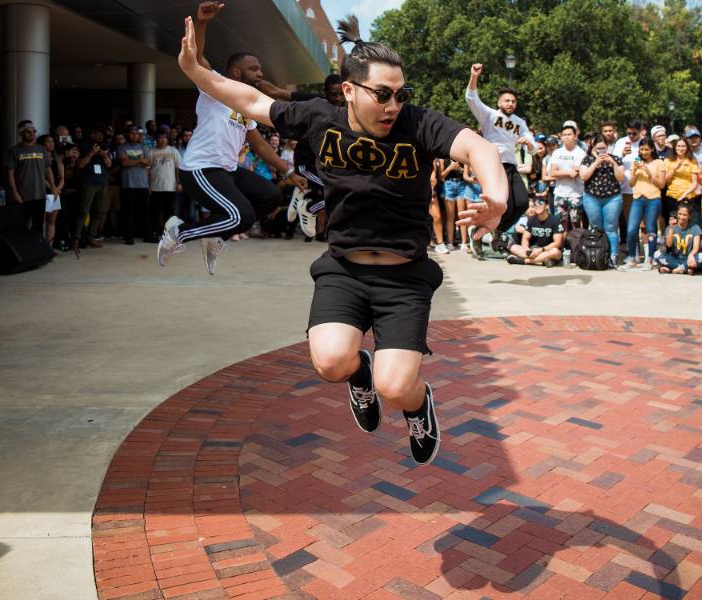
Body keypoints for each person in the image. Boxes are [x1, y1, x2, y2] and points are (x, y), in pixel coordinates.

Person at [177, 12, 507, 465]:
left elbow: (479, 147)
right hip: (344, 269)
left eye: (401, 94)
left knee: (395, 387)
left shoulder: (418, 124)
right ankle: (358, 373)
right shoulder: (319, 118)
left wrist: (497, 196)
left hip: (404, 277)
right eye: (383, 95)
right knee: (331, 362)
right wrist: (197, 71)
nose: (393, 106)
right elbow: (251, 100)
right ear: (350, 90)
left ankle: (418, 404)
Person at [158, 1, 306, 274]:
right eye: (255, 69)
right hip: (201, 168)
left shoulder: (247, 104)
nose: (261, 73)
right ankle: (178, 231)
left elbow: (259, 144)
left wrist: (288, 172)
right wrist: (202, 23)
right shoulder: (215, 87)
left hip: (227, 170)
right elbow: (199, 58)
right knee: (241, 215)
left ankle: (216, 234)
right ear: (236, 72)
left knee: (271, 196)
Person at [258, 73, 346, 242]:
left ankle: (302, 196)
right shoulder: (315, 102)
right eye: (333, 94)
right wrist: (257, 82)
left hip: (326, 165)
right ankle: (309, 206)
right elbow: (279, 93)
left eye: (341, 94)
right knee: (339, 191)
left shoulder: (348, 109)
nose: (338, 98)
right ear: (325, 92)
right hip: (307, 165)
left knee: (346, 191)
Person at [466, 63, 536, 255]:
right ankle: (477, 234)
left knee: (521, 203)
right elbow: (472, 98)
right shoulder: (489, 115)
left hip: (511, 165)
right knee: (498, 204)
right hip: (494, 165)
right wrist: (474, 77)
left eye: (513, 101)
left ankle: (497, 231)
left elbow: (533, 145)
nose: (510, 104)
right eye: (506, 101)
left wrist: (529, 145)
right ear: (499, 102)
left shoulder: (519, 122)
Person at [580, 134, 625, 268]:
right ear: (593, 148)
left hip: (612, 198)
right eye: (598, 148)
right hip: (592, 197)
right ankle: (599, 255)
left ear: (608, 147)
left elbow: (621, 177)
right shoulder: (587, 160)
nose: (601, 151)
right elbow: (584, 176)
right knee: (596, 228)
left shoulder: (615, 159)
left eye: (603, 148)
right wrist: (596, 162)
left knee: (611, 228)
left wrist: (612, 163)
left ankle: (613, 257)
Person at [5, 120, 56, 233]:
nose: (32, 134)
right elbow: (10, 173)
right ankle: (23, 250)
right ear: (21, 133)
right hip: (22, 196)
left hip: (39, 195)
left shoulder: (41, 149)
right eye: (28, 132)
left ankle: (37, 249)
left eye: (33, 131)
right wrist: (14, 193)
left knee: (38, 225)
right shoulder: (15, 151)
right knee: (21, 226)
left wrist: (53, 187)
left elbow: (48, 169)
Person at [623, 137, 665, 271]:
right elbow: (631, 183)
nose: (644, 152)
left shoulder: (659, 163)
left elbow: (662, 184)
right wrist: (634, 171)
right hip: (637, 198)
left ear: (652, 149)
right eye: (641, 149)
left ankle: (650, 258)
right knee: (631, 229)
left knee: (651, 229)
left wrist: (647, 171)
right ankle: (632, 258)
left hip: (653, 199)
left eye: (646, 149)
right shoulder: (635, 162)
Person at [77, 127, 112, 248]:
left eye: (103, 134)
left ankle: (92, 237)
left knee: (98, 212)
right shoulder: (84, 145)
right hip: (89, 182)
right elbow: (80, 165)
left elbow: (109, 165)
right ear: (93, 133)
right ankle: (77, 238)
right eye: (99, 133)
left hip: (102, 182)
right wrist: (91, 153)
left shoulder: (104, 146)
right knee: (83, 211)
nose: (102, 136)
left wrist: (105, 155)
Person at [548, 122, 586, 231]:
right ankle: (564, 246)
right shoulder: (557, 152)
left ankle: (576, 246)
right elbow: (553, 173)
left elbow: (574, 174)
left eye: (569, 134)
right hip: (559, 193)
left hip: (576, 194)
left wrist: (562, 172)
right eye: (564, 135)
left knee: (576, 223)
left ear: (575, 136)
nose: (567, 137)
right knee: (561, 224)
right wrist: (568, 172)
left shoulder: (580, 153)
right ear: (561, 137)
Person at [117, 125, 152, 245]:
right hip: (128, 184)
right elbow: (124, 163)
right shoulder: (122, 147)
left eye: (136, 133)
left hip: (143, 184)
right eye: (132, 133)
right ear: (127, 134)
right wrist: (139, 160)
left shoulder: (144, 147)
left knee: (146, 211)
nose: (134, 135)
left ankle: (147, 235)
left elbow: (148, 162)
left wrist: (133, 161)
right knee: (129, 212)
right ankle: (128, 236)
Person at [506, 197, 564, 267]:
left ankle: (525, 261)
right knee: (513, 247)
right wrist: (527, 250)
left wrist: (541, 250)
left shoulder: (555, 220)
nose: (538, 206)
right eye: (535, 204)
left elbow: (558, 243)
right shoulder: (531, 220)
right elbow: (525, 238)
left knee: (556, 252)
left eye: (541, 203)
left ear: (547, 206)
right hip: (533, 249)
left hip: (547, 250)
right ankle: (543, 260)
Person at [148, 128, 183, 234]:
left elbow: (178, 169)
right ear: (156, 139)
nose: (162, 140)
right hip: (155, 188)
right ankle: (157, 232)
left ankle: (170, 233)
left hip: (171, 187)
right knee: (156, 212)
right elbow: (147, 170)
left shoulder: (173, 151)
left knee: (171, 212)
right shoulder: (151, 152)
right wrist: (148, 185)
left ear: (167, 139)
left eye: (164, 137)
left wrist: (179, 183)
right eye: (160, 137)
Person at [655, 203, 702, 274]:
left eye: (684, 215)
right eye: (679, 214)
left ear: (689, 216)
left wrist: (691, 255)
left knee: (701, 256)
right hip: (674, 258)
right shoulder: (670, 227)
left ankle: (672, 270)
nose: (681, 217)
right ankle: (684, 268)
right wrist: (671, 228)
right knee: (657, 254)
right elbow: (669, 245)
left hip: (688, 258)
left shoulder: (695, 228)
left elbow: (696, 248)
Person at [663, 136, 701, 228]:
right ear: (674, 147)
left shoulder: (692, 160)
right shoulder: (668, 160)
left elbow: (694, 182)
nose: (680, 148)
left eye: (683, 146)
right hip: (672, 196)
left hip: (688, 196)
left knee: (690, 223)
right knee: (673, 222)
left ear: (687, 147)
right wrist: (674, 168)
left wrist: (685, 194)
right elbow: (664, 180)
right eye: (678, 146)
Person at [38, 134, 64, 249]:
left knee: (52, 220)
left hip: (55, 192)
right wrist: (53, 188)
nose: (51, 144)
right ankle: (40, 247)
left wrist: (57, 189)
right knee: (42, 220)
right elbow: (41, 176)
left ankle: (49, 247)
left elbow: (62, 177)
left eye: (53, 141)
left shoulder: (56, 158)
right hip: (44, 191)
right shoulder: (40, 157)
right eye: (48, 141)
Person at [439, 158, 467, 250]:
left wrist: (461, 170)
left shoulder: (461, 157)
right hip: (448, 185)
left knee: (462, 215)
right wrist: (450, 168)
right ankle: (450, 242)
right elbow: (441, 176)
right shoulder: (444, 159)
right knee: (450, 216)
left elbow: (467, 173)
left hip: (461, 184)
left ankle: (464, 243)